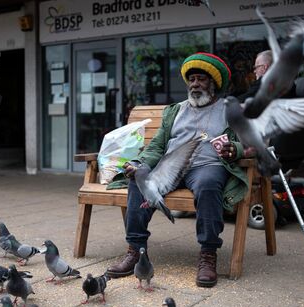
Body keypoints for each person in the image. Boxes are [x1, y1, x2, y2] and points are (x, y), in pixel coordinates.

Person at [106, 52, 248, 288]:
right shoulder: (175, 111)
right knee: (138, 182)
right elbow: (157, 146)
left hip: (207, 167)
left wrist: (236, 149)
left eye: (201, 79)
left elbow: (251, 142)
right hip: (168, 168)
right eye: (191, 79)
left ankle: (208, 254)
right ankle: (136, 251)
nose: (195, 84)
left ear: (214, 83)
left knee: (208, 185)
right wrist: (140, 165)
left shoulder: (229, 109)